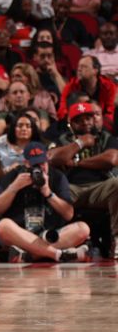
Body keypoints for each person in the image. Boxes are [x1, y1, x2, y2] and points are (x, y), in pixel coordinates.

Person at [0, 142, 89, 262]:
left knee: (83, 228)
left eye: (42, 163)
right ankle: (58, 254)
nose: (40, 168)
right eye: (35, 165)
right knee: (3, 226)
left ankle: (29, 255)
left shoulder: (57, 177)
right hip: (21, 236)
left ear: (47, 159)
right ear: (26, 163)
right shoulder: (14, 176)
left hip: (49, 235)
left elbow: (68, 214)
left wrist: (49, 194)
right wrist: (14, 188)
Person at [47, 102, 118, 259]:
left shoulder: (106, 137)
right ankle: (54, 240)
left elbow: (112, 159)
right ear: (71, 124)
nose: (86, 122)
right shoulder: (63, 139)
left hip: (99, 187)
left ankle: (117, 240)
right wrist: (80, 143)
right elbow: (52, 158)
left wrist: (77, 163)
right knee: (50, 190)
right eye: (80, 120)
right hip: (70, 187)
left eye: (89, 118)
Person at [58, 56, 116, 130]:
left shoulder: (109, 86)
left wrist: (96, 124)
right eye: (78, 66)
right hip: (78, 123)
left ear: (95, 70)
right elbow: (62, 110)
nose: (79, 69)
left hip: (102, 125)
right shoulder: (71, 86)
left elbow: (110, 113)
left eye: (84, 67)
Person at [0, 110, 42, 183]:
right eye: (20, 126)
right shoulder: (1, 142)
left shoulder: (38, 146)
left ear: (33, 130)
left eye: (28, 126)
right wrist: (9, 169)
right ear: (13, 128)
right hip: (6, 183)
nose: (24, 129)